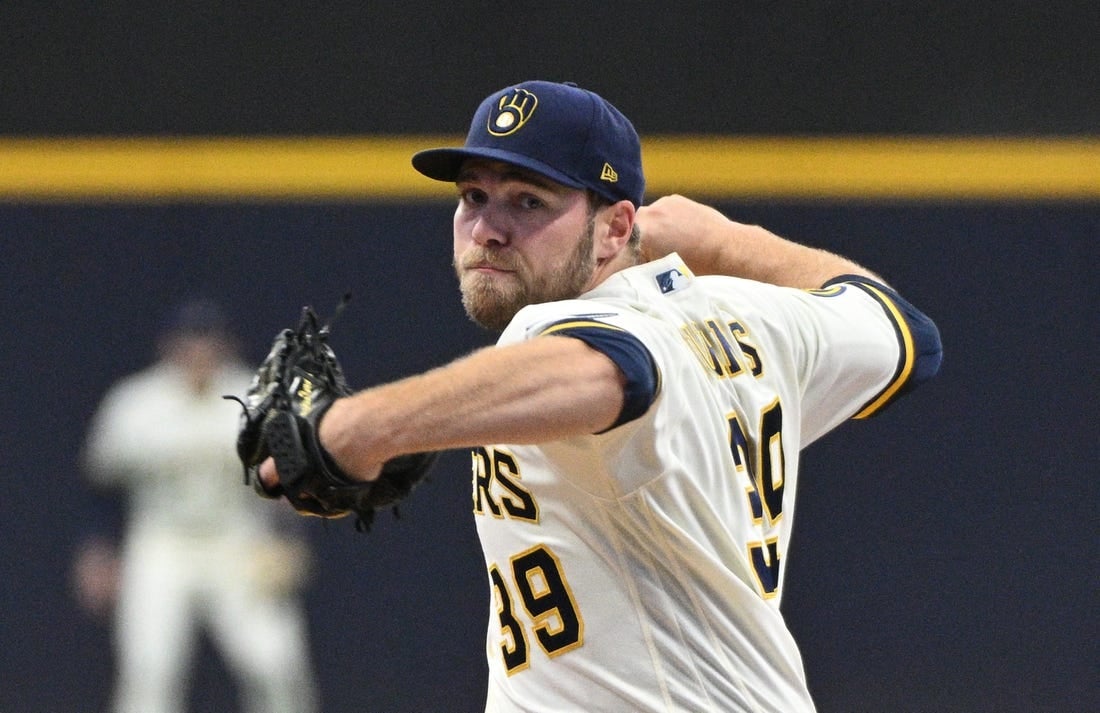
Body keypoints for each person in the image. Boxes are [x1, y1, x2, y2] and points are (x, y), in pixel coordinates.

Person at [260, 80, 943, 711]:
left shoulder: (570, 330)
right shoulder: (754, 319)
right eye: (474, 196)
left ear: (616, 228)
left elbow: (616, 371)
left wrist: (365, 427)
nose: (488, 229)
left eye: (529, 201)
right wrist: (728, 242)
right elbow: (905, 332)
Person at [75, 298, 320, 713]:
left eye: (207, 340)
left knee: (275, 664)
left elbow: (288, 478)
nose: (198, 351)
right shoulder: (136, 403)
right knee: (149, 670)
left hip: (237, 539)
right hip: (160, 543)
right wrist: (98, 551)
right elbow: (103, 485)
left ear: (224, 345)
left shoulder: (255, 396)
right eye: (189, 341)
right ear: (169, 347)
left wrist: (289, 539)